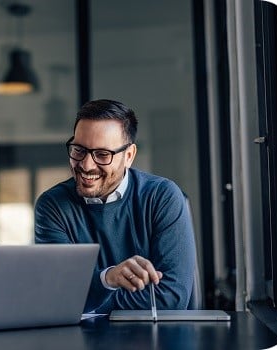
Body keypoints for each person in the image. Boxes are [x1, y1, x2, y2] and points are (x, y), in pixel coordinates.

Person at [34, 99, 196, 314]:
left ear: (128, 156)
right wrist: (107, 279)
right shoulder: (52, 206)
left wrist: (89, 297)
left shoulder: (163, 196)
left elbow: (171, 297)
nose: (86, 165)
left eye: (102, 154)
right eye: (79, 150)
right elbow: (60, 296)